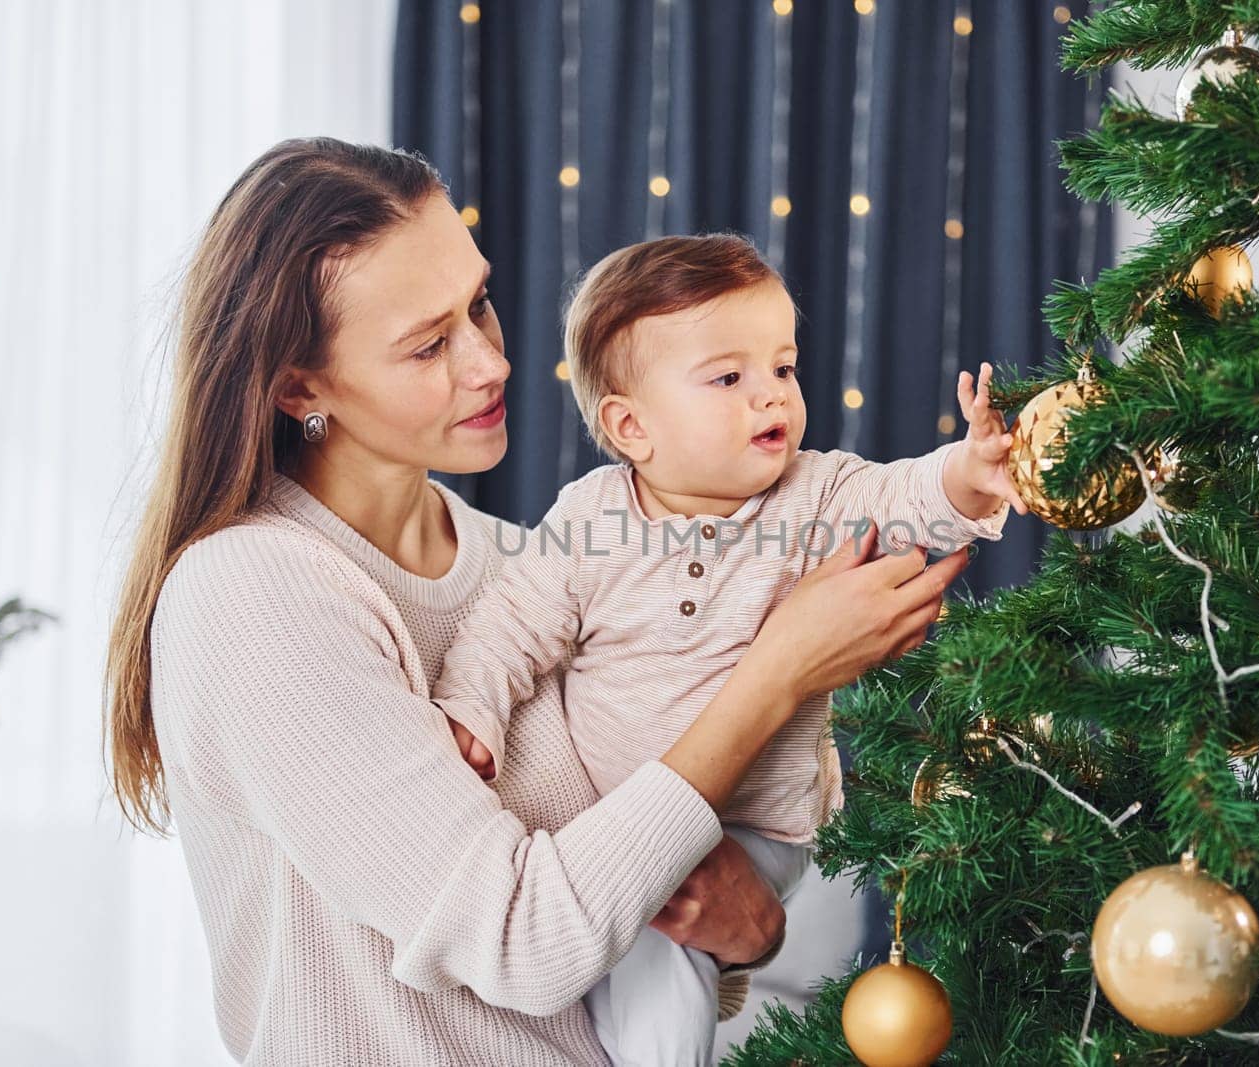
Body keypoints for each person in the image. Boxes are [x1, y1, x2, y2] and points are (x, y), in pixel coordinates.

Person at [102, 137, 971, 1066]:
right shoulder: (254, 591)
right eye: (429, 344)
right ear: (298, 387)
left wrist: (748, 932)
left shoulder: (526, 564)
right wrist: (781, 668)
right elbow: (520, 939)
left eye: (478, 303)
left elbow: (633, 915)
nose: (489, 363)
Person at [435, 234, 1025, 1064]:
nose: (771, 398)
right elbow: (509, 624)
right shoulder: (590, 519)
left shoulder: (816, 495)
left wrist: (968, 470)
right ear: (630, 425)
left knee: (662, 941)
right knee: (611, 942)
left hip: (751, 829)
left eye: (782, 368)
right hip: (614, 817)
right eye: (729, 378)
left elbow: (905, 497)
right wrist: (472, 708)